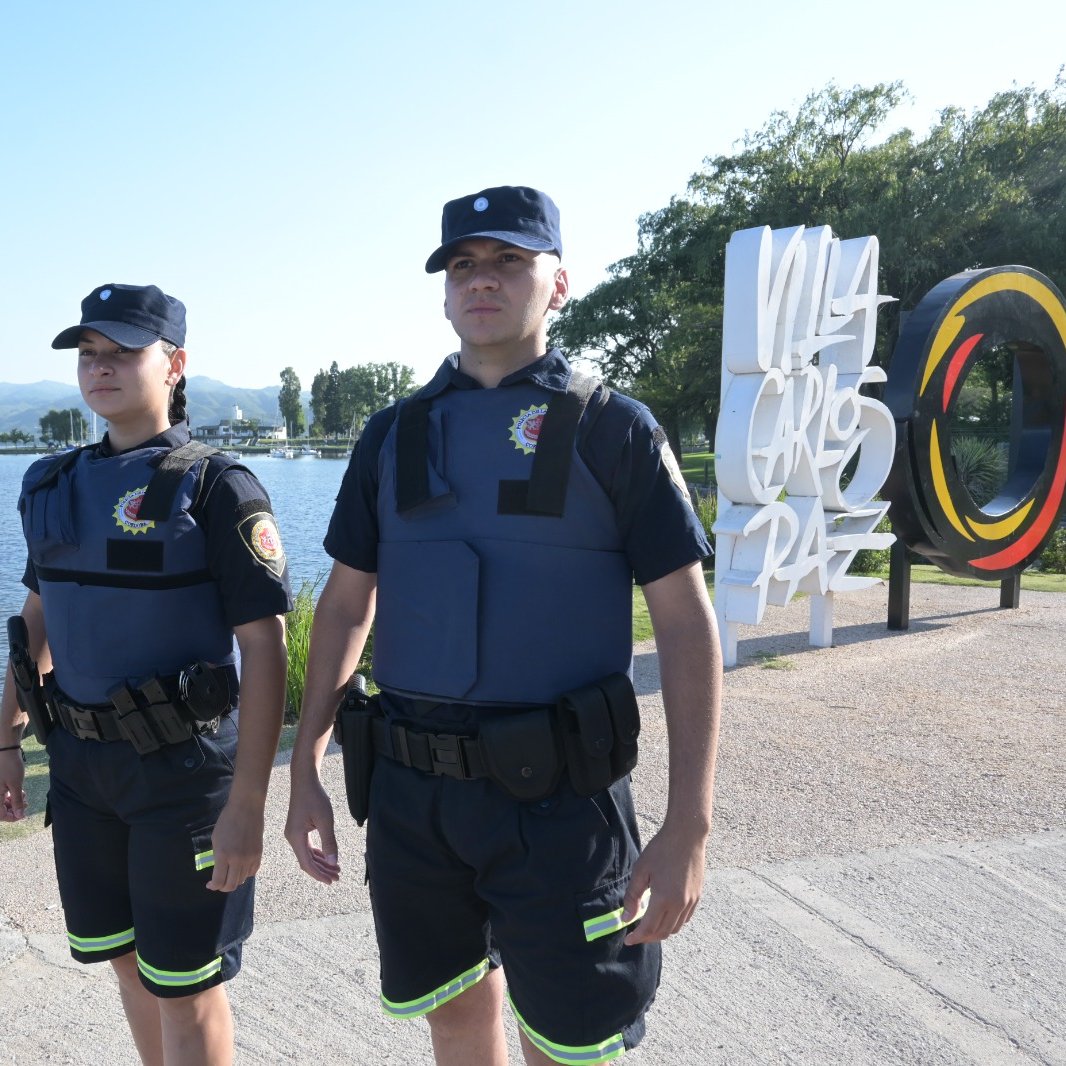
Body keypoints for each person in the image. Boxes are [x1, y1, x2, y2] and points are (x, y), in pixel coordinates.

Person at [285, 186, 722, 1065]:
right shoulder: (392, 435)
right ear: (445, 292)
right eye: (463, 265)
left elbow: (684, 624)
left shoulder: (614, 429)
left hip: (561, 802)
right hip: (413, 798)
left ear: (558, 284)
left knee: (569, 1044)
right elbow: (345, 606)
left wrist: (689, 826)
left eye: (509, 261)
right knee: (452, 1016)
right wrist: (305, 770)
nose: (481, 279)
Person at [0, 284, 292, 1066]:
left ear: (175, 364)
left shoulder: (218, 485)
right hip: (82, 770)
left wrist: (250, 804)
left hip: (183, 776)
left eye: (123, 352)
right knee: (126, 960)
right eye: (89, 354)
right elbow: (36, 621)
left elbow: (266, 649)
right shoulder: (49, 484)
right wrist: (8, 740)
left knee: (186, 984)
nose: (101, 368)